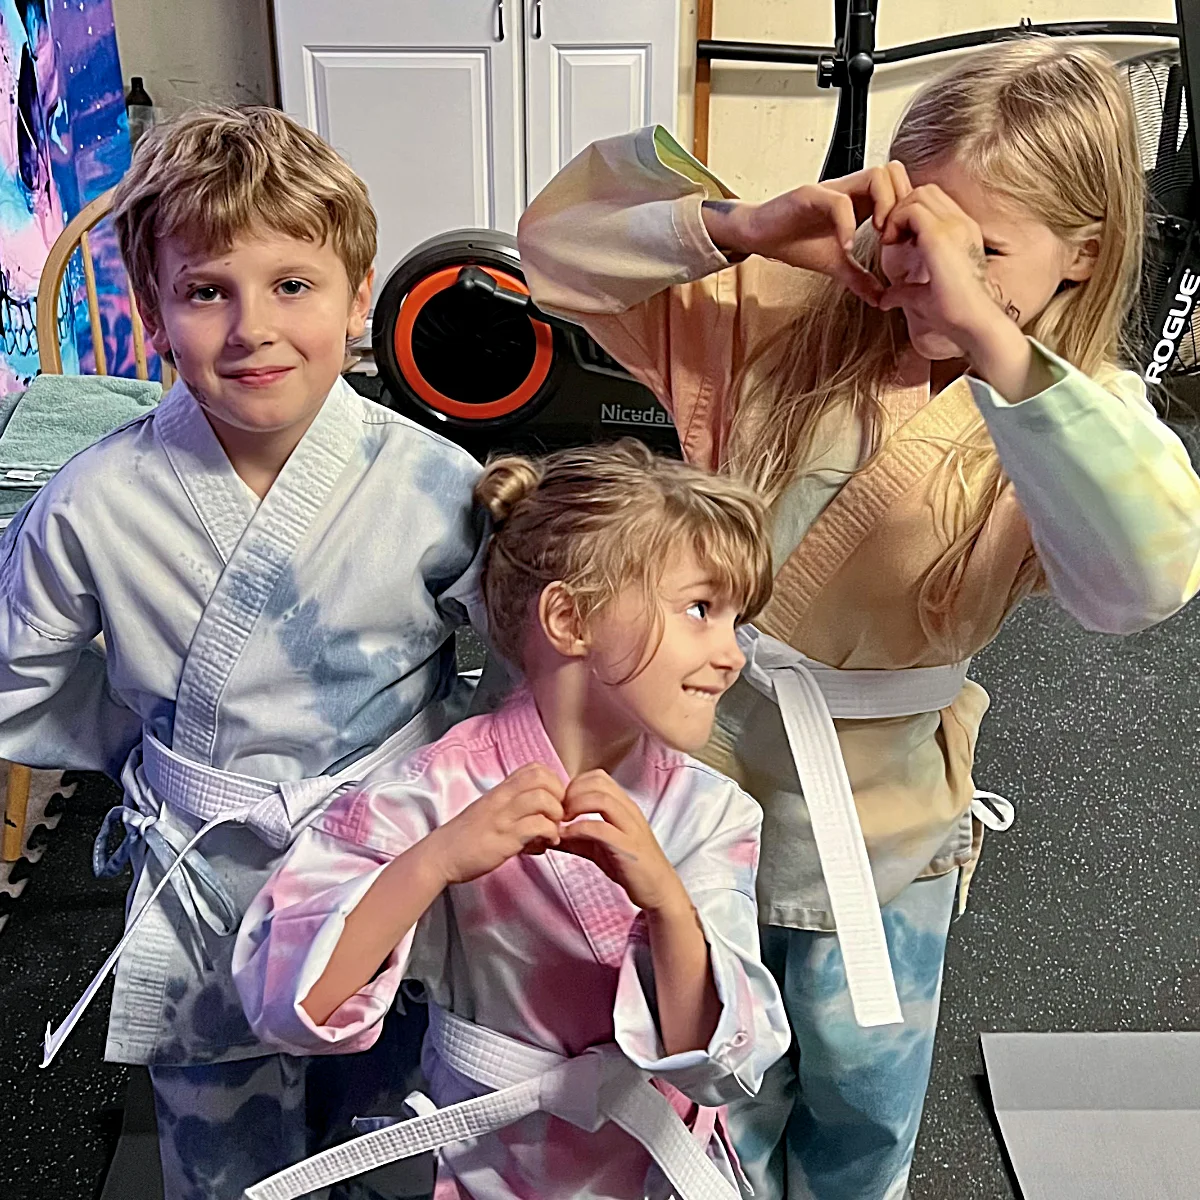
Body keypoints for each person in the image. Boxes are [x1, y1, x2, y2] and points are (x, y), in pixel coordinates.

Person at [516, 37, 1200, 1200]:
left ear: (1082, 258)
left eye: (986, 253)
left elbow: (1139, 584)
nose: (931, 273)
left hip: (882, 821)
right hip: (695, 771)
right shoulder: (783, 310)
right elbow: (553, 254)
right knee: (679, 1080)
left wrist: (993, 340)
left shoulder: (1075, 413)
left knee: (858, 1103)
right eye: (917, 229)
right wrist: (746, 225)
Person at [0, 106, 485, 1198]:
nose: (252, 327)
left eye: (293, 286)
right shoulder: (96, 504)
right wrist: (158, 751)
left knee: (389, 1135)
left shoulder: (435, 481)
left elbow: (512, 674)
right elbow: (19, 679)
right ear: (155, 312)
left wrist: (453, 788)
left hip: (382, 865)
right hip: (207, 873)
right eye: (208, 289)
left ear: (359, 297)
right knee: (225, 1163)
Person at [233, 440, 792, 1200]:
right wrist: (431, 864)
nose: (731, 657)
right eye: (700, 609)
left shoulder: (713, 811)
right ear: (569, 618)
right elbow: (291, 1003)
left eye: (735, 621)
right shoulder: (435, 793)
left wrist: (667, 904)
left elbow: (718, 1060)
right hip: (487, 1160)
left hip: (652, 1162)